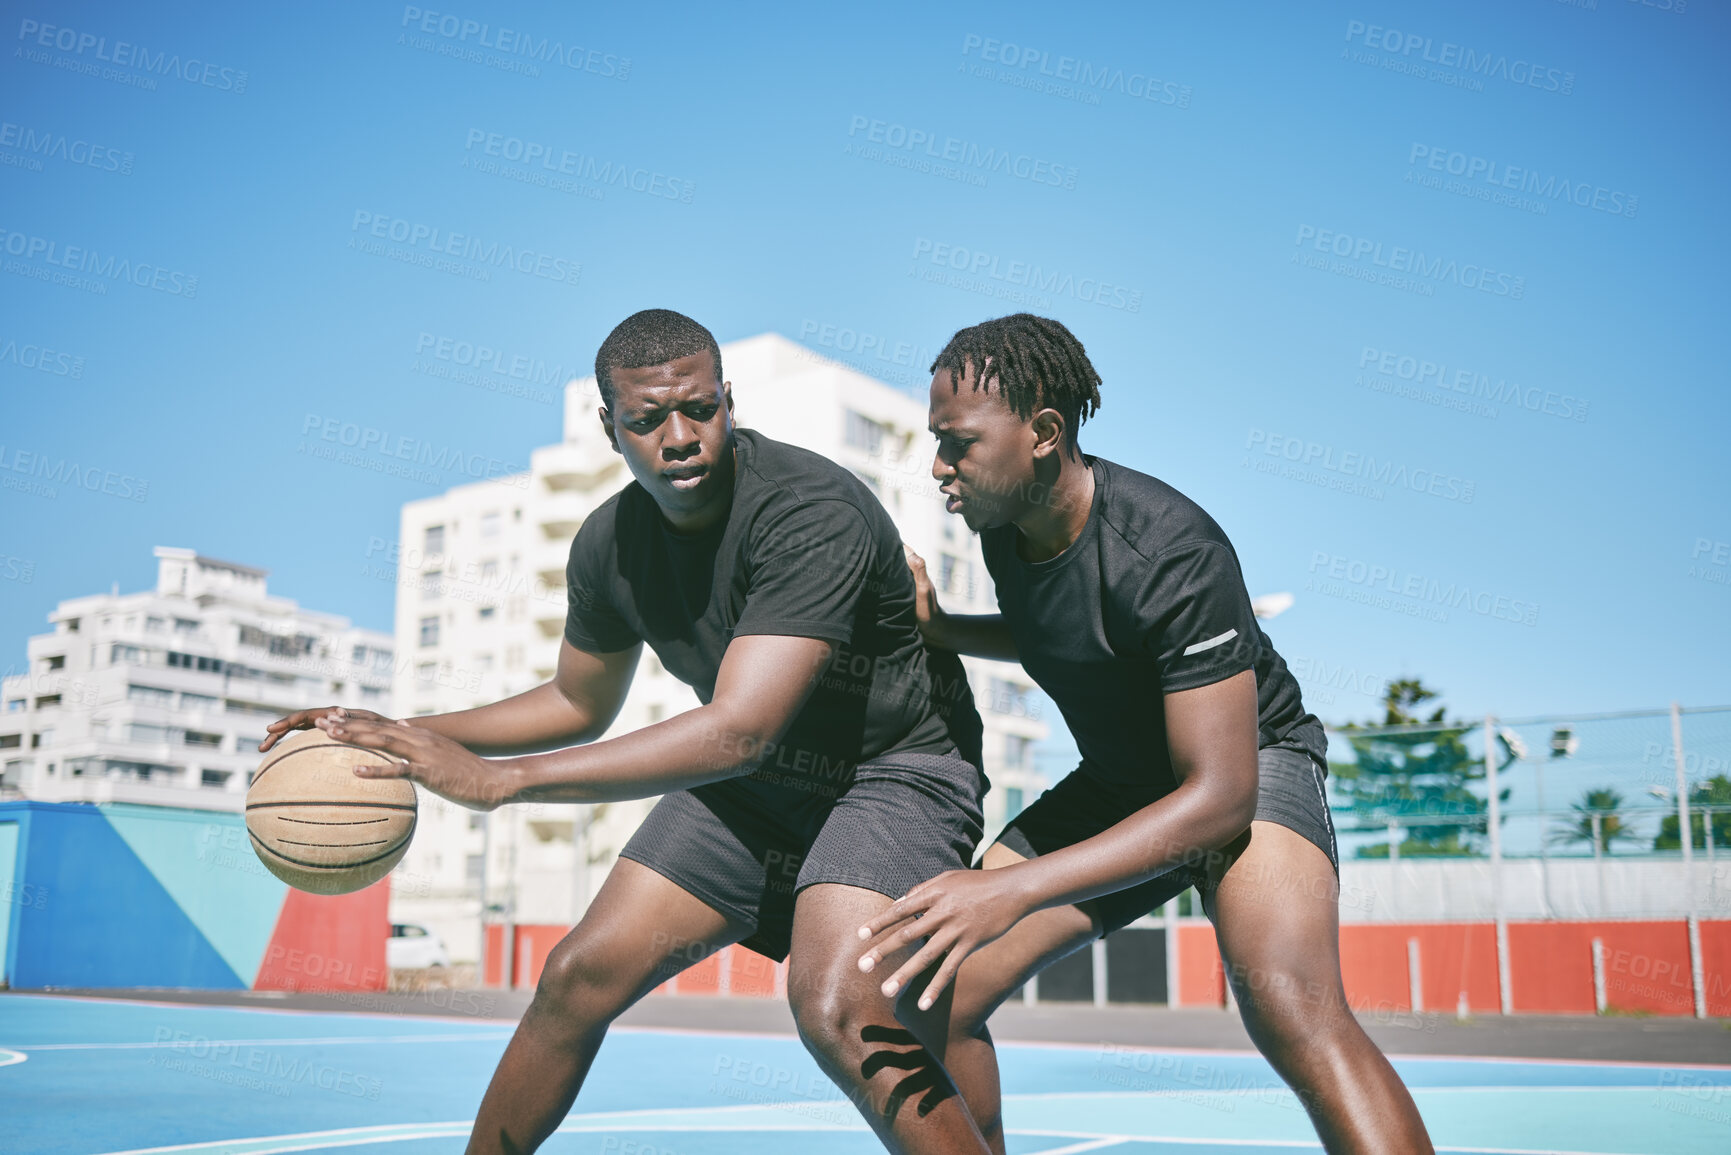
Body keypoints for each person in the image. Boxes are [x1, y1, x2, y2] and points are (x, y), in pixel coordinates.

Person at [264, 309, 996, 1154]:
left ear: (729, 401)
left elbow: (737, 732)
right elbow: (576, 700)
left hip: (892, 770)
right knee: (577, 976)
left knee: (836, 1002)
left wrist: (502, 780)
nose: (678, 436)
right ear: (610, 428)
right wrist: (401, 731)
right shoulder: (608, 545)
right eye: (647, 419)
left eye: (699, 408)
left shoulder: (807, 508)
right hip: (759, 794)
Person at [855, 313, 1435, 1153]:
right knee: (927, 993)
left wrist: (1014, 886)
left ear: (1044, 433)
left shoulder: (1169, 547)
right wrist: (944, 628)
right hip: (1125, 779)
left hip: (1247, 764)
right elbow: (1064, 628)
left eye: (958, 443)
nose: (938, 467)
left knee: (1288, 1004)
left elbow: (1220, 798)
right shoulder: (1005, 532)